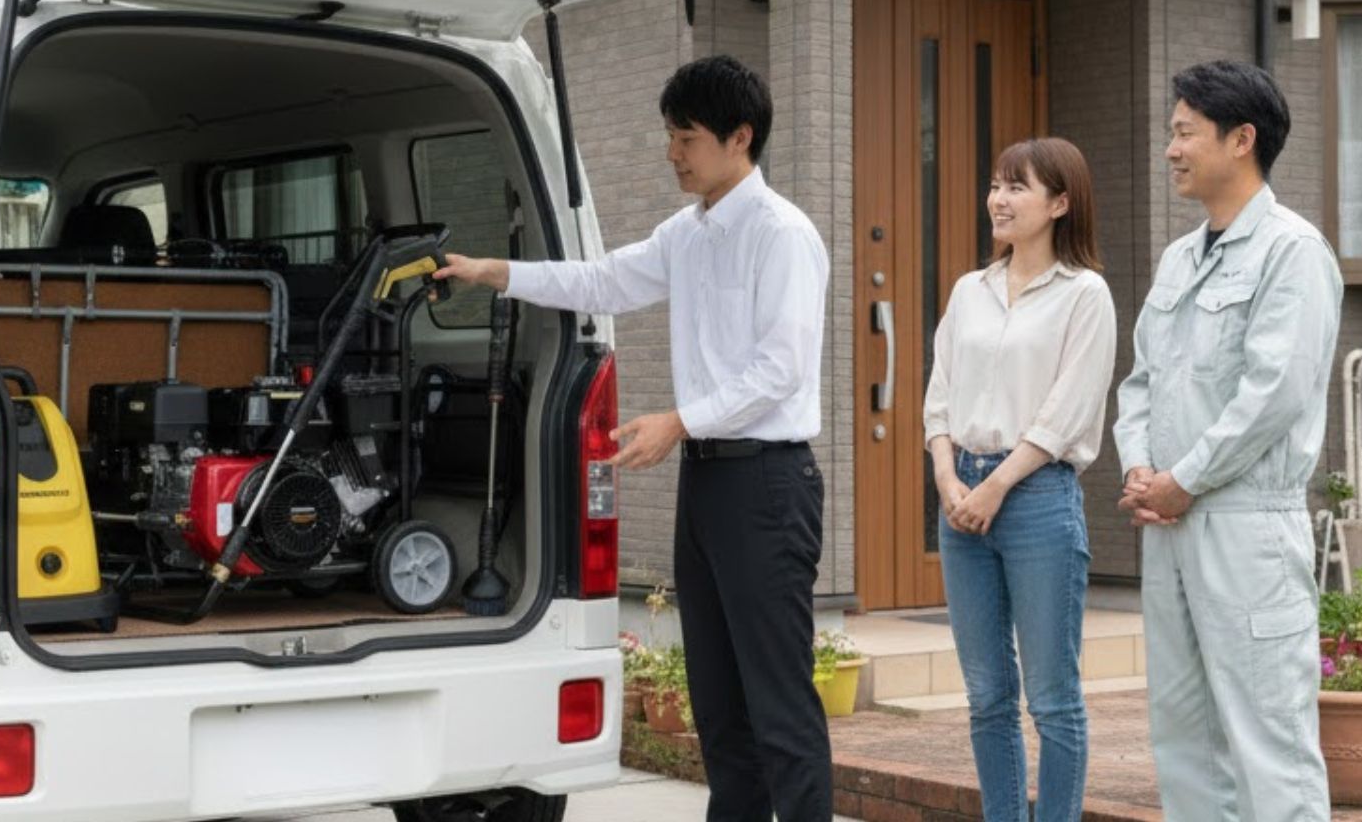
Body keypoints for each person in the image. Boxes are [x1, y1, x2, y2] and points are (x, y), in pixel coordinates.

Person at [434, 54, 834, 822]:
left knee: (778, 704)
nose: (672, 152)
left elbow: (780, 371)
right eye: (669, 135)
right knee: (717, 704)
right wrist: (493, 271)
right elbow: (602, 280)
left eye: (686, 136)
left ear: (739, 137)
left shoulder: (782, 234)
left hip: (769, 485)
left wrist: (679, 421)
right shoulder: (688, 233)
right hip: (710, 483)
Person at [1115, 60, 1342, 821]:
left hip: (1246, 523)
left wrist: (1186, 478)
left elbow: (1272, 393)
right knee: (1182, 740)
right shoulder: (1182, 257)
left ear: (1241, 139)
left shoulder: (1292, 252)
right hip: (1169, 521)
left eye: (1185, 133)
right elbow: (1141, 379)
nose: (1171, 149)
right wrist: (1143, 470)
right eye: (1170, 133)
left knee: (1267, 740)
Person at [923, 137, 1116, 822]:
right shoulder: (967, 291)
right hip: (961, 498)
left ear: (1060, 203)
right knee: (986, 695)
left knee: (1053, 698)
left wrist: (996, 487)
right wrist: (948, 478)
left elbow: (1066, 412)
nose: (999, 199)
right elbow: (939, 396)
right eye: (996, 185)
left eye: (1017, 187)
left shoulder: (1084, 295)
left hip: (1035, 498)